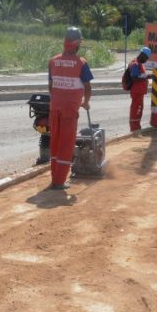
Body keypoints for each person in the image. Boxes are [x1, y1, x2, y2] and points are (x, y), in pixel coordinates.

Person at [47, 26, 93, 190]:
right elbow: (87, 87)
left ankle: (54, 177)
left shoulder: (53, 61)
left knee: (55, 142)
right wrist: (86, 102)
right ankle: (59, 181)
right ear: (77, 43)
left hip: (55, 108)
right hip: (69, 110)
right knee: (66, 144)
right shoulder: (81, 63)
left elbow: (50, 86)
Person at [128, 47, 151, 131]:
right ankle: (134, 129)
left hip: (139, 92)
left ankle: (137, 127)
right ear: (142, 55)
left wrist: (146, 76)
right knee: (136, 110)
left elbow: (140, 75)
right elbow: (135, 77)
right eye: (146, 58)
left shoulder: (139, 64)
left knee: (139, 110)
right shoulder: (135, 64)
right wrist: (147, 76)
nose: (146, 60)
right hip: (137, 92)